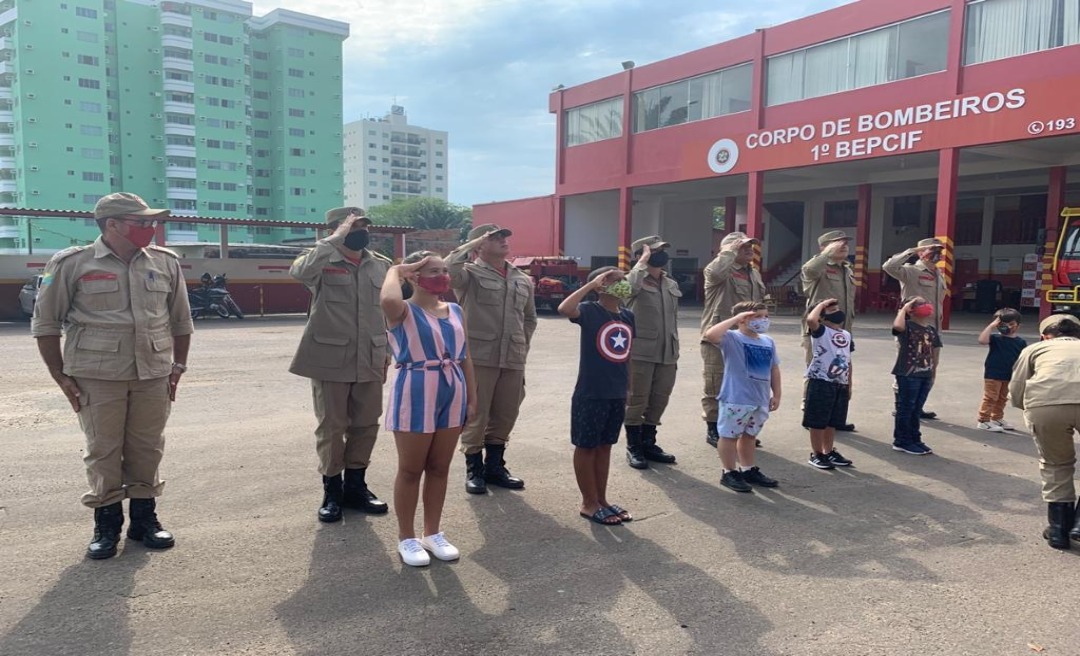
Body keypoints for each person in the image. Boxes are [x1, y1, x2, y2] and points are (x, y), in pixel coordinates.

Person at [30, 192, 192, 560]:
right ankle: (106, 525)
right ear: (113, 225)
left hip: (152, 371)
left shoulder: (166, 263)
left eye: (152, 222)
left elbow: (182, 321)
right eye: (142, 222)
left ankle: (143, 520)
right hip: (96, 375)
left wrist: (178, 366)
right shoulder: (71, 263)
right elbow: (46, 324)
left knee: (147, 447)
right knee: (104, 449)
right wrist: (60, 376)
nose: (151, 228)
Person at [289, 208, 391, 523]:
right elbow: (299, 274)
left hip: (371, 356)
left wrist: (387, 351)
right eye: (354, 226)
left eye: (364, 225)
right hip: (330, 358)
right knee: (332, 427)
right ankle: (332, 491)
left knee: (366, 424)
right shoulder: (320, 260)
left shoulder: (381, 265)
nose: (362, 230)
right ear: (337, 228)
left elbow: (386, 311)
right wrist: (332, 241)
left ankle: (356, 487)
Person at [381, 251, 478, 566]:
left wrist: (472, 398)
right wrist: (396, 269)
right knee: (411, 469)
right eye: (433, 271)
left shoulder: (454, 310)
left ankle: (432, 532)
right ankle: (406, 538)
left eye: (445, 270)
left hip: (452, 390)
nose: (442, 276)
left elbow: (465, 356)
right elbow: (387, 301)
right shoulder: (402, 311)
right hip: (416, 389)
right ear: (413, 276)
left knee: (440, 467)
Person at [447, 224, 537, 495]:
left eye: (503, 237)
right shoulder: (468, 273)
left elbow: (529, 318)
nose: (502, 241)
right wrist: (468, 245)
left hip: (513, 355)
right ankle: (474, 468)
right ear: (478, 245)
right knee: (477, 413)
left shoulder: (521, 278)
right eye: (494, 238)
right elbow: (448, 267)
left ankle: (495, 467)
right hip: (480, 357)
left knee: (506, 412)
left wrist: (522, 344)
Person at [558, 266, 636, 525]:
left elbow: (628, 354)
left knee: (605, 446)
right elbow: (565, 309)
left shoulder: (627, 315)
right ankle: (588, 502)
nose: (623, 284)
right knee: (587, 446)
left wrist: (629, 386)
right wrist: (590, 286)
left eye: (624, 279)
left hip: (616, 390)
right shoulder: (591, 310)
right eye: (615, 281)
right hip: (592, 391)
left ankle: (602, 499)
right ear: (600, 286)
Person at [1009, 314, 1080, 550]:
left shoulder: (1035, 349)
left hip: (1045, 405)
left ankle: (1059, 532)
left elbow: (1017, 387)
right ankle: (1079, 525)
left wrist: (1028, 408)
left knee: (1056, 465)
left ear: (1044, 335)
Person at [702, 301, 781, 493]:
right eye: (758, 316)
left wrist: (776, 393)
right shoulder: (732, 338)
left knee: (750, 435)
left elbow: (774, 368)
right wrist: (736, 319)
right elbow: (710, 335)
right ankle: (729, 472)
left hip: (759, 398)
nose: (764, 320)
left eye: (766, 316)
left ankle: (747, 469)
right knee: (729, 435)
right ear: (743, 319)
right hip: (736, 397)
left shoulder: (767, 341)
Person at [700, 232, 765, 447]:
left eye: (750, 246)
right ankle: (714, 427)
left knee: (746, 382)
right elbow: (715, 272)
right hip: (720, 336)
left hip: (748, 336)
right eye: (742, 246)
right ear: (728, 250)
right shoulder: (719, 270)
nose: (749, 249)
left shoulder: (753, 273)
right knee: (716, 383)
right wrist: (727, 253)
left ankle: (741, 427)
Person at [623, 236, 679, 469]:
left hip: (668, 350)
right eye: (654, 251)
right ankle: (633, 446)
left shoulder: (670, 283)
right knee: (637, 399)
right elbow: (623, 292)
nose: (661, 254)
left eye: (663, 249)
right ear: (641, 255)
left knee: (659, 399)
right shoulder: (634, 279)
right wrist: (641, 265)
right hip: (641, 351)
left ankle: (649, 442)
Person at [883, 238, 948, 420]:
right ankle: (902, 405)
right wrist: (911, 250)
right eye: (932, 250)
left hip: (933, 329)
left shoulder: (939, 274)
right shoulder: (911, 271)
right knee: (908, 367)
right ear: (921, 252)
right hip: (912, 329)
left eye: (939, 250)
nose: (937, 254)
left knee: (930, 368)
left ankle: (918, 406)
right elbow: (888, 267)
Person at [800, 230, 856, 432]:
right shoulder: (819, 266)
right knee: (818, 373)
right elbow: (808, 271)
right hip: (820, 329)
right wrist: (826, 255)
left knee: (841, 371)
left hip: (843, 329)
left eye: (846, 241)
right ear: (823, 247)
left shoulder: (847, 269)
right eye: (837, 242)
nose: (843, 244)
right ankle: (812, 413)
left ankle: (836, 415)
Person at [803, 299, 855, 470]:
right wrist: (821, 305)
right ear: (823, 316)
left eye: (838, 309)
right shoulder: (820, 331)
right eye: (832, 310)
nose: (838, 312)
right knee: (817, 420)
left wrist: (849, 384)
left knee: (832, 421)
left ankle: (829, 450)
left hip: (839, 383)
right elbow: (811, 320)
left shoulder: (846, 334)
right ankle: (817, 453)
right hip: (821, 381)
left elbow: (848, 360)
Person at [891, 297, 942, 455]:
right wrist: (904, 307)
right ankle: (902, 440)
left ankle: (914, 438)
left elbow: (934, 353)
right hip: (908, 374)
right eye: (920, 304)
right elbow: (897, 326)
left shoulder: (931, 330)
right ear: (910, 310)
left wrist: (933, 374)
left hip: (925, 373)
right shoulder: (907, 326)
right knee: (906, 408)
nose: (926, 305)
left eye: (926, 302)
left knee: (916, 408)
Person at [975, 308, 1026, 432]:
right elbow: (982, 340)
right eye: (1003, 324)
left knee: (1003, 398)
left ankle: (996, 418)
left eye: (1012, 324)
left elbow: (1022, 359)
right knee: (991, 397)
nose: (1008, 327)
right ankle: (983, 420)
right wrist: (991, 326)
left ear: (1018, 325)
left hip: (1009, 374)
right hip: (993, 373)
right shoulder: (996, 339)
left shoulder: (1020, 342)